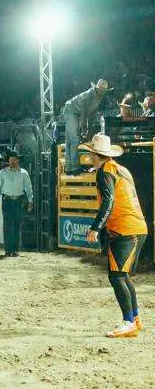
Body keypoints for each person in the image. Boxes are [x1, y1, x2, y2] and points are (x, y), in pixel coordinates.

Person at [81, 133, 147, 338]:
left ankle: (128, 321)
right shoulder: (121, 169)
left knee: (117, 276)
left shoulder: (105, 172)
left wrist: (95, 227)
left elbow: (108, 202)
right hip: (136, 227)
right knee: (122, 275)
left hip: (124, 229)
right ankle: (134, 319)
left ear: (95, 154)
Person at [62, 79, 112, 175]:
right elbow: (84, 114)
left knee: (70, 141)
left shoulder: (98, 97)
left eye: (104, 91)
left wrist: (90, 129)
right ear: (97, 89)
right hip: (71, 111)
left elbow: (92, 113)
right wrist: (85, 130)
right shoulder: (88, 96)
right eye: (101, 90)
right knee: (74, 140)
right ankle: (74, 168)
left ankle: (69, 168)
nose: (103, 92)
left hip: (75, 112)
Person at [0, 151, 33, 258]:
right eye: (11, 160)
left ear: (18, 161)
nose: (12, 162)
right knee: (7, 226)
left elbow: (29, 188)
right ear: (8, 161)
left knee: (16, 225)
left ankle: (15, 249)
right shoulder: (3, 172)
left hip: (18, 201)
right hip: (7, 201)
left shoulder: (24, 173)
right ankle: (8, 249)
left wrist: (30, 201)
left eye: (14, 160)